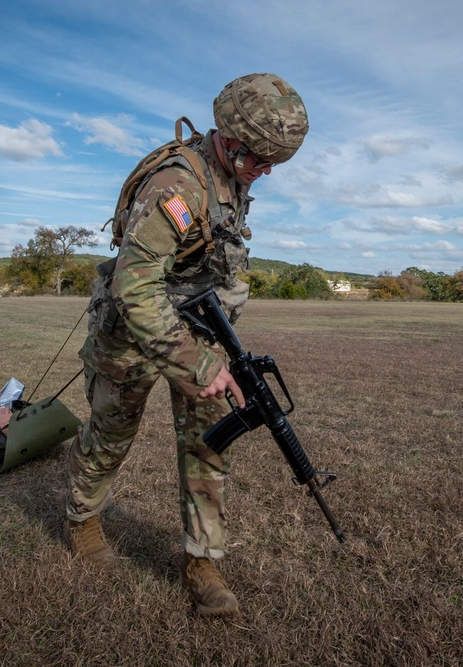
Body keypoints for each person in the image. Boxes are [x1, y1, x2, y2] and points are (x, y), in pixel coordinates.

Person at [65, 73, 309, 617]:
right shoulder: (176, 186)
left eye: (273, 164)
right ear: (228, 139)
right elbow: (135, 284)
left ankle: (201, 558)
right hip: (130, 330)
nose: (264, 173)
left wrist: (212, 354)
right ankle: (83, 520)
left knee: (209, 440)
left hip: (194, 327)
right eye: (258, 161)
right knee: (111, 433)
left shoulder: (233, 176)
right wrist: (194, 362)